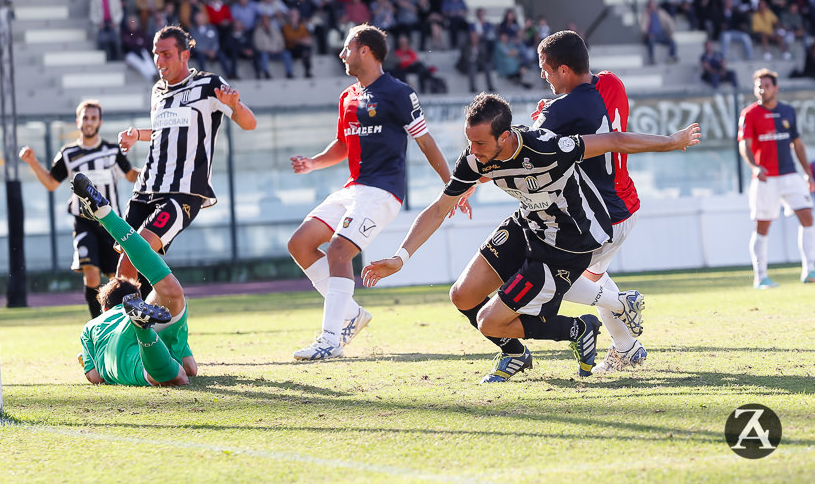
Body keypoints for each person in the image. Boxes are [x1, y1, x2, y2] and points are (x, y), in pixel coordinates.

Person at [362, 93, 700, 379]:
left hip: (570, 243)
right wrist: (399, 257)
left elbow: (615, 141)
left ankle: (578, 329)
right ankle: (516, 355)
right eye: (469, 141)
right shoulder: (476, 160)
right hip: (529, 226)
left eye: (479, 142)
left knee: (488, 322)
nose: (472, 150)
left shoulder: (547, 147)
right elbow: (438, 209)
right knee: (462, 296)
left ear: (505, 136)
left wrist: (673, 141)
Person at [287, 24, 469, 361]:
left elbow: (425, 141)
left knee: (339, 251)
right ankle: (351, 315)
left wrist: (452, 186)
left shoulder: (398, 93)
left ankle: (330, 339)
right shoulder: (347, 96)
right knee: (299, 243)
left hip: (382, 192)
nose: (342, 55)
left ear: (365, 50)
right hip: (353, 188)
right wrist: (313, 163)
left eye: (347, 49)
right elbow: (343, 144)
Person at [529, 31, 646, 376]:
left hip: (601, 214)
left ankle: (624, 306)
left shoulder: (564, 111)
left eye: (545, 69)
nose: (543, 76)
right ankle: (627, 349)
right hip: (626, 203)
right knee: (593, 278)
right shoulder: (612, 82)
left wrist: (547, 120)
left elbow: (540, 150)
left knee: (553, 279)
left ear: (564, 69)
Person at [117, 25, 257, 294]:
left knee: (136, 251)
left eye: (167, 54)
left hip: (183, 192)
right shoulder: (158, 90)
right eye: (156, 54)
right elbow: (163, 131)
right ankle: (143, 324)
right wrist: (137, 135)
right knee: (128, 264)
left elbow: (249, 123)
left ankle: (147, 318)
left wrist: (236, 105)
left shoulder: (209, 85)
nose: (159, 61)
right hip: (145, 189)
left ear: (185, 54)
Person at [73, 173, 197, 386]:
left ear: (105, 308)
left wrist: (84, 362)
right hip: (138, 326)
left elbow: (95, 377)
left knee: (172, 375)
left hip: (116, 346)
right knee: (171, 290)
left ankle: (143, 329)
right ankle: (106, 215)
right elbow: (191, 368)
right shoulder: (132, 309)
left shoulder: (92, 326)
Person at [19, 100, 138, 318]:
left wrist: (156, 171)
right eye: (85, 117)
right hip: (84, 221)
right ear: (78, 121)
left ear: (100, 121)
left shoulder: (112, 151)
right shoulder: (68, 153)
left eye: (93, 118)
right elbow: (52, 183)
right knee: (91, 274)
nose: (89, 122)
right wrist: (33, 162)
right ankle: (97, 324)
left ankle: (119, 322)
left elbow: (131, 175)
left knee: (117, 278)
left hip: (111, 222)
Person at [737, 68, 815, 289]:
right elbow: (744, 145)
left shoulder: (788, 111)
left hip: (790, 174)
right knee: (762, 226)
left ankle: (809, 270)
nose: (762, 89)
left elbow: (797, 145)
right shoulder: (749, 114)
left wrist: (808, 174)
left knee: (807, 217)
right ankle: (760, 277)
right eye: (758, 86)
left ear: (775, 88)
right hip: (765, 178)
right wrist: (755, 166)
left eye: (766, 86)